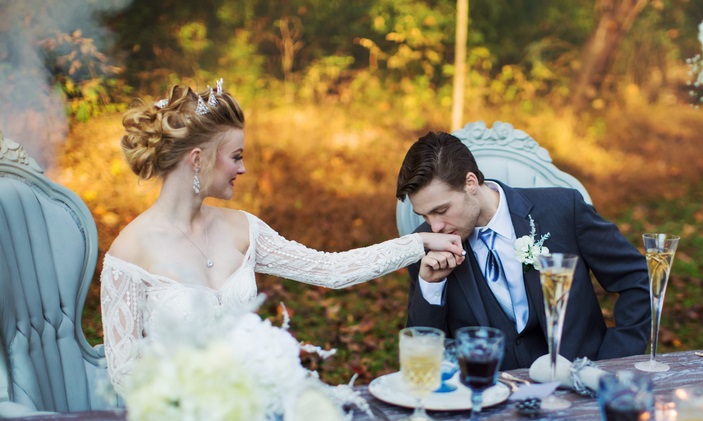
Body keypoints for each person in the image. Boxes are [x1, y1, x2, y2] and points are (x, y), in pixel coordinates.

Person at [100, 82, 463, 394]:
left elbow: (329, 270)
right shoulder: (130, 251)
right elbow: (124, 375)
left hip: (255, 411)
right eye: (236, 156)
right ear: (198, 160)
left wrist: (417, 244)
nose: (243, 168)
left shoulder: (243, 228)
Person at [397, 131, 650, 371]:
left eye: (441, 210)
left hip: (579, 384)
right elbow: (422, 350)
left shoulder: (563, 210)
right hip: (489, 394)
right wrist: (430, 285)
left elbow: (637, 279)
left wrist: (612, 362)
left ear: (470, 182)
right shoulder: (426, 246)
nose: (435, 226)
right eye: (425, 215)